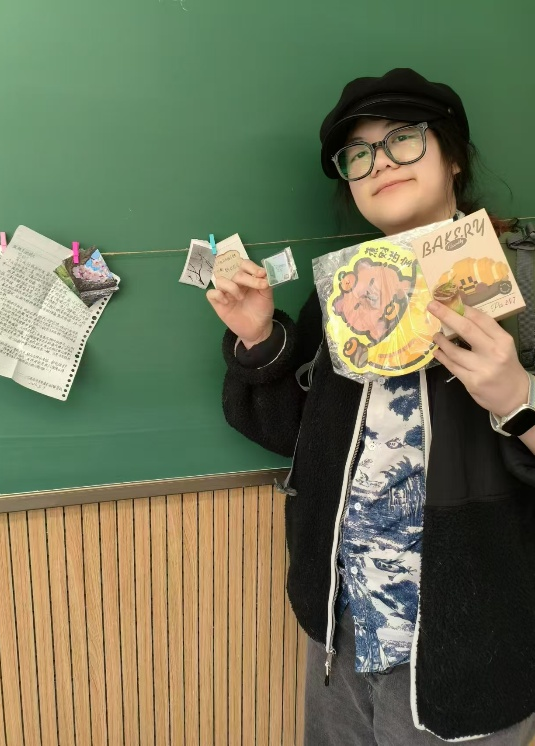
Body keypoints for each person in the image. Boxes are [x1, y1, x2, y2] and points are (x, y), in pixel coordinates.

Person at [206, 68, 535, 745]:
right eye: (357, 154)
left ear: (452, 157)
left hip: (473, 642)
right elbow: (295, 436)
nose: (379, 162)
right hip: (344, 619)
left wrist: (517, 398)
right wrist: (259, 339)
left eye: (402, 138)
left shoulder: (522, 278)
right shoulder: (345, 292)